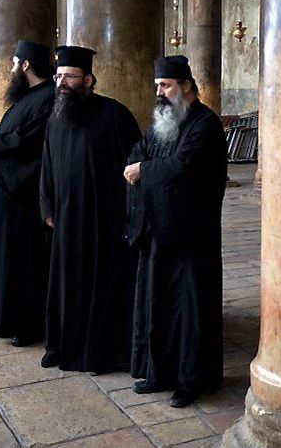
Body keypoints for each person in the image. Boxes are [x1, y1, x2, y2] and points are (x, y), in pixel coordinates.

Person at [125, 56, 227, 408]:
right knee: (158, 303)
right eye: (158, 86)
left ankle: (191, 380)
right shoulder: (163, 121)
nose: (160, 93)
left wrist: (143, 169)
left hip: (190, 234)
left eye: (165, 86)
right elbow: (142, 149)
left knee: (189, 309)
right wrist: (136, 163)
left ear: (186, 86)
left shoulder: (205, 124)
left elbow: (184, 165)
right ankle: (160, 373)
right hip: (158, 228)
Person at [39, 45, 142, 372]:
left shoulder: (114, 115)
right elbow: (46, 164)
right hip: (67, 219)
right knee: (67, 285)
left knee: (102, 285)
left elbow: (136, 163)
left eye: (69, 76)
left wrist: (130, 212)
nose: (62, 82)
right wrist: (47, 205)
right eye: (58, 76)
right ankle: (62, 346)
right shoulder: (55, 117)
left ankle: (100, 353)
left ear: (88, 79)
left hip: (104, 220)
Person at [0, 40, 56, 346]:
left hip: (23, 195)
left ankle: (26, 323)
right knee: (7, 257)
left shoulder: (49, 98)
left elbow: (31, 140)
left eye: (14, 63)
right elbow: (13, 132)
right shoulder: (30, 97)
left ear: (26, 65)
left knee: (23, 261)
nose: (11, 69)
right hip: (7, 195)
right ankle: (6, 317)